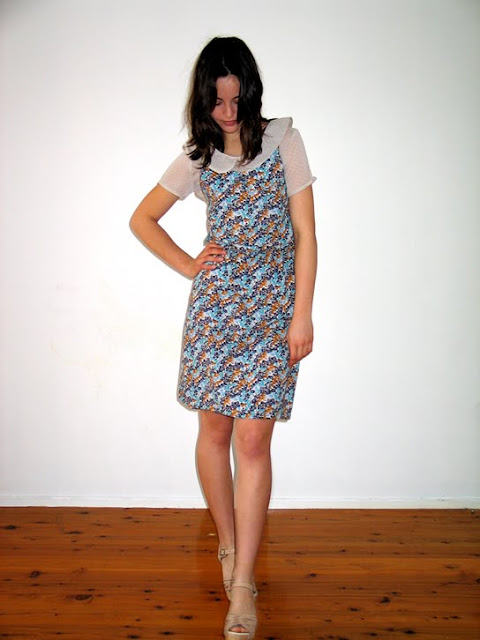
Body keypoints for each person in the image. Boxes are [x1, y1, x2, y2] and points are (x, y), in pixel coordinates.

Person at [130, 36, 317, 640]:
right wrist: (189, 265)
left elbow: (306, 235)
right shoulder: (199, 157)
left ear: (251, 93)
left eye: (237, 100)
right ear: (204, 99)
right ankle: (230, 547)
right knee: (213, 432)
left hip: (272, 312)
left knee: (253, 440)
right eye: (217, 101)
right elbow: (142, 219)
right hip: (216, 312)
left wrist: (302, 315)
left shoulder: (284, 141)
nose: (228, 113)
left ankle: (242, 586)